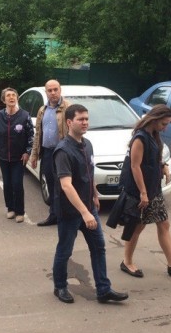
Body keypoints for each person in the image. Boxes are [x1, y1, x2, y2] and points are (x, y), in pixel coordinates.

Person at [51, 104, 129, 304]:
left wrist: (94, 194)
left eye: (86, 119)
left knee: (98, 247)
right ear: (70, 122)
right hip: (70, 212)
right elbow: (66, 186)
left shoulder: (88, 145)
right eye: (81, 119)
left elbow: (89, 172)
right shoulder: (63, 151)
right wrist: (85, 213)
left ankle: (103, 290)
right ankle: (60, 286)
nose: (85, 122)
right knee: (65, 251)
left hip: (89, 206)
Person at [118, 104, 171, 278]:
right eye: (163, 124)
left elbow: (152, 157)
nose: (165, 128)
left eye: (167, 124)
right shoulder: (140, 138)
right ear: (154, 119)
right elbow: (135, 166)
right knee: (137, 227)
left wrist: (163, 165)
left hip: (154, 189)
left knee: (164, 224)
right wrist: (143, 193)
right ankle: (127, 262)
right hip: (142, 192)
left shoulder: (153, 134)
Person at [0, 87, 35, 223]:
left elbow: (31, 136)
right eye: (8, 95)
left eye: (13, 95)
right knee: (7, 184)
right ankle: (10, 208)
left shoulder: (24, 116)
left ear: (17, 98)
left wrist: (27, 151)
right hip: (3, 156)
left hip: (19, 157)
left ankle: (20, 211)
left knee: (17, 184)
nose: (11, 97)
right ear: (4, 100)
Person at [29, 79, 70, 226]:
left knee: (63, 186)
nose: (53, 93)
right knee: (51, 184)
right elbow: (38, 134)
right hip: (47, 152)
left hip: (62, 153)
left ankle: (66, 217)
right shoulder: (42, 110)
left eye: (55, 89)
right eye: (50, 90)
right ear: (46, 92)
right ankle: (53, 215)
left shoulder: (68, 108)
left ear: (60, 90)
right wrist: (34, 154)